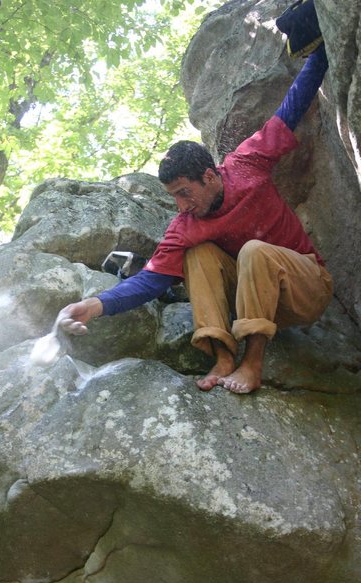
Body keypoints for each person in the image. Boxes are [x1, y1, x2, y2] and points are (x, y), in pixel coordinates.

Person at [59, 3, 333, 395]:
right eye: (173, 197)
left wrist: (323, 51)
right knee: (196, 254)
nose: (181, 205)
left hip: (307, 287)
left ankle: (252, 363)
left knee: (255, 249)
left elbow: (291, 108)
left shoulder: (247, 163)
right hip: (262, 302)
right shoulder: (186, 224)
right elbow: (150, 281)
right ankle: (224, 355)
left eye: (185, 193)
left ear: (210, 176)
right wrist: (94, 305)